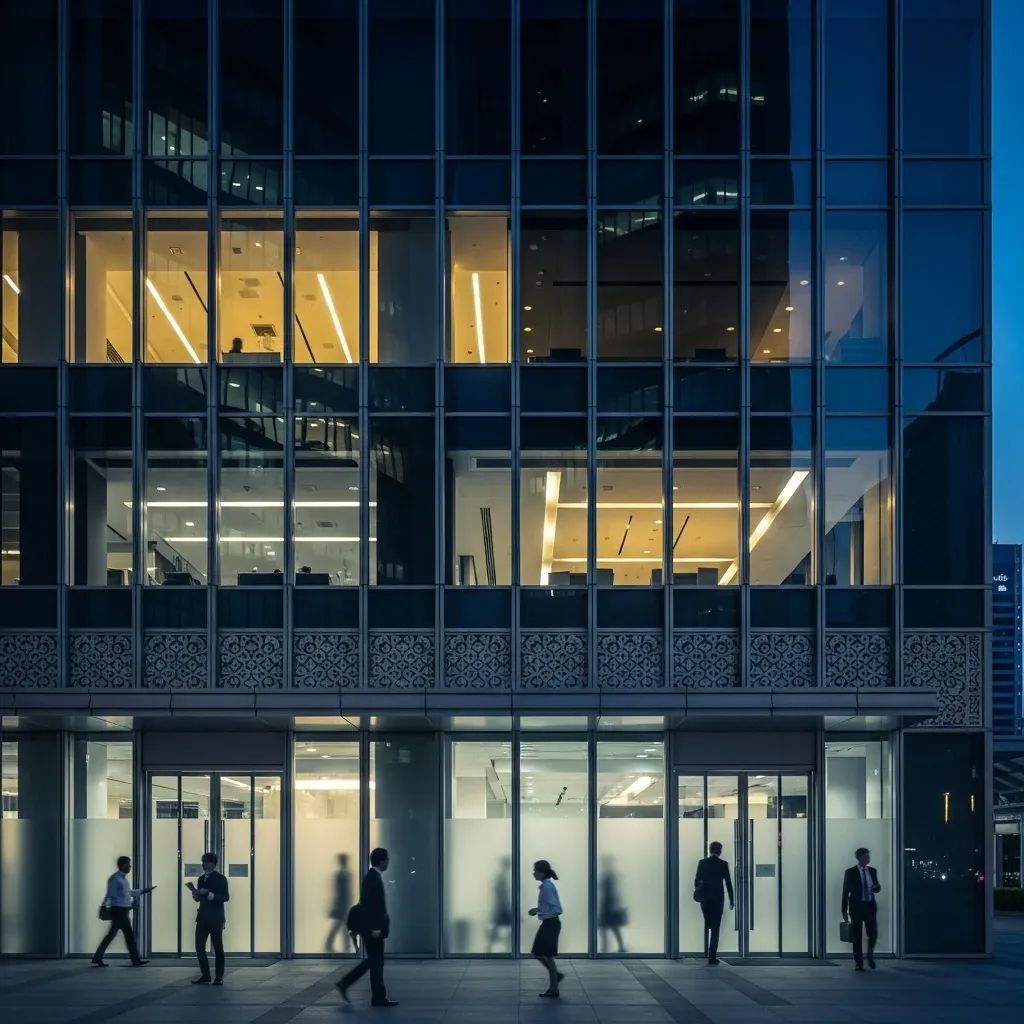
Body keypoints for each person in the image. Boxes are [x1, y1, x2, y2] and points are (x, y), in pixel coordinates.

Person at [337, 847, 397, 1007]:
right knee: (375, 962)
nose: (389, 862)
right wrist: (375, 929)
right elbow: (369, 906)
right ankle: (352, 986)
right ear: (382, 861)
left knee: (374, 962)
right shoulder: (372, 878)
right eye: (387, 859)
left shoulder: (373, 877)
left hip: (373, 928)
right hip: (373, 930)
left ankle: (376, 996)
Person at [92, 855, 154, 967]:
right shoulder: (115, 879)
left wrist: (143, 891)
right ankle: (135, 960)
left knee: (112, 935)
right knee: (128, 936)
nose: (130, 866)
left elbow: (128, 893)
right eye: (128, 864)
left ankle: (98, 957)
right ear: (122, 865)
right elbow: (112, 896)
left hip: (122, 912)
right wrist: (126, 906)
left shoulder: (123, 879)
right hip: (119, 912)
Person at [190, 852, 230, 986]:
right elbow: (201, 898)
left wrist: (209, 894)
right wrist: (196, 895)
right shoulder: (201, 879)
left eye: (205, 862)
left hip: (216, 918)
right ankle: (205, 975)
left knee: (218, 948)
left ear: (212, 864)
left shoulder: (221, 879)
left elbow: (225, 897)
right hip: (202, 917)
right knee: (199, 947)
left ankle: (219, 976)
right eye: (202, 862)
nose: (203, 865)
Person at [694, 841, 734, 965]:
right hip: (717, 900)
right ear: (720, 851)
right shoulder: (723, 864)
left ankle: (703, 949)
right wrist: (732, 900)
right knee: (715, 928)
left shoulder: (702, 863)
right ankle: (712, 956)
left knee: (708, 925)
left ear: (709, 850)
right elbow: (728, 883)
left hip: (705, 899)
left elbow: (696, 880)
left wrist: (699, 891)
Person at [528, 860, 564, 999]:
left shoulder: (547, 888)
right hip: (548, 924)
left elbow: (557, 909)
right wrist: (537, 910)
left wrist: (541, 913)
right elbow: (548, 907)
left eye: (535, 870)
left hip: (551, 924)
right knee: (538, 952)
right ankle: (556, 976)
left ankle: (554, 988)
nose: (533, 873)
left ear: (541, 872)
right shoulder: (545, 886)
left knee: (547, 956)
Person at [842, 847, 881, 971]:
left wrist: (876, 887)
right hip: (856, 908)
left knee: (873, 934)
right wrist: (844, 910)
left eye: (868, 856)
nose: (868, 858)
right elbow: (845, 892)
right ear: (859, 858)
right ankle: (859, 962)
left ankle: (869, 955)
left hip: (869, 907)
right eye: (866, 856)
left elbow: (877, 887)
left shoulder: (872, 871)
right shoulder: (850, 872)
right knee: (857, 936)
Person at [325, 852, 354, 953]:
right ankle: (345, 947)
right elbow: (342, 891)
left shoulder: (342, 874)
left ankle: (335, 945)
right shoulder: (344, 874)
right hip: (343, 904)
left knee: (341, 926)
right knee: (343, 926)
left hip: (343, 904)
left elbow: (338, 891)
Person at [598, 855, 628, 953]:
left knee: (611, 927)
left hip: (609, 904)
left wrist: (615, 904)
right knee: (610, 927)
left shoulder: (609, 875)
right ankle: (613, 947)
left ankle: (610, 947)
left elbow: (614, 891)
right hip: (607, 904)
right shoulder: (607, 875)